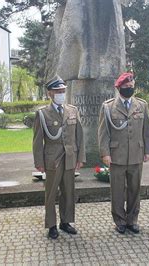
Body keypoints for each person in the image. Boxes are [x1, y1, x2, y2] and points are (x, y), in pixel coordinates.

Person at [97, 72, 149, 234]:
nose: (129, 89)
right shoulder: (108, 107)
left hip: (136, 153)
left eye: (131, 86)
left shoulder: (141, 105)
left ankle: (132, 220)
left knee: (135, 189)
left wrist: (148, 150)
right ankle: (119, 220)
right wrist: (105, 153)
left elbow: (147, 130)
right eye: (126, 87)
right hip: (117, 156)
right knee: (117, 190)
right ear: (119, 88)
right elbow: (103, 133)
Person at [33, 75, 86, 239]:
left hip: (70, 157)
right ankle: (51, 225)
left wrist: (80, 158)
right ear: (50, 93)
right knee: (51, 194)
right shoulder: (43, 114)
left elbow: (79, 136)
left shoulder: (72, 110)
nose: (61, 94)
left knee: (68, 191)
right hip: (52, 159)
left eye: (63, 91)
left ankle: (66, 222)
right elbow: (37, 140)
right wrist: (39, 162)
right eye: (58, 91)